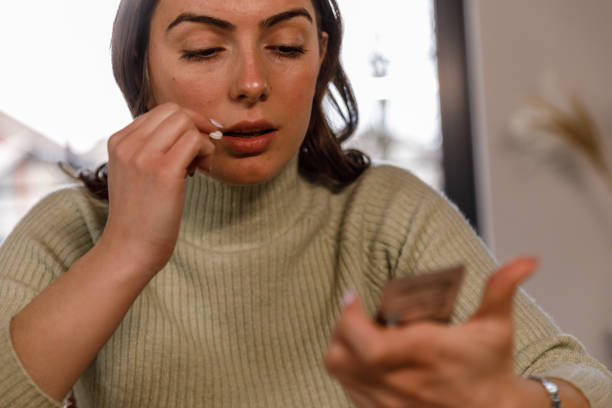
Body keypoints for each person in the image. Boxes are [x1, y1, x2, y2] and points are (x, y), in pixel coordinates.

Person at [0, 0, 610, 406]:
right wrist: (126, 251)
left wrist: (518, 399)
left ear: (319, 57)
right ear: (142, 66)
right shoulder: (67, 232)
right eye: (203, 50)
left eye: (286, 46)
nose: (252, 83)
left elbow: (588, 383)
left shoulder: (387, 215)